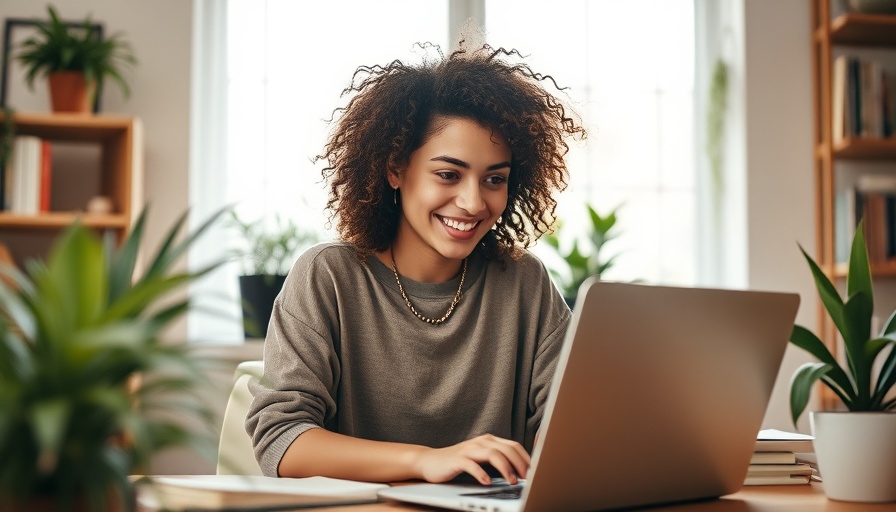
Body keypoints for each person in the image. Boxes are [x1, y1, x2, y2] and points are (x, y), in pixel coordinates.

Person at [245, 40, 586, 486]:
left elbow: (569, 425)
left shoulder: (524, 281)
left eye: (494, 179)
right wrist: (426, 461)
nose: (472, 201)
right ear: (395, 170)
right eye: (448, 174)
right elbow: (281, 440)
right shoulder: (328, 277)